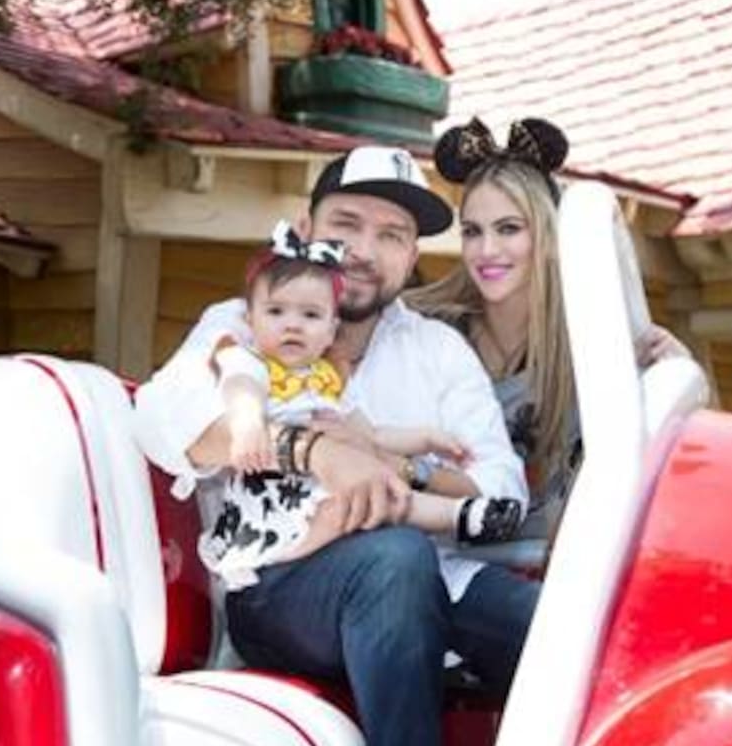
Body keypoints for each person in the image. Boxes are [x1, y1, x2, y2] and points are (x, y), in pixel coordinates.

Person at [133, 145, 535, 746]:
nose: (365, 252)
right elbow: (159, 419)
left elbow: (497, 490)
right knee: (395, 559)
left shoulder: (437, 350)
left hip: (431, 578)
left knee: (561, 633)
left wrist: (389, 467)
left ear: (411, 256)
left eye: (392, 236)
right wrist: (315, 452)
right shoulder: (249, 322)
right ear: (306, 229)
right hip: (281, 586)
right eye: (347, 225)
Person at [203, 218, 523, 590]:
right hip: (284, 518)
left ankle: (463, 515)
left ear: (329, 329)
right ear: (249, 318)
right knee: (387, 515)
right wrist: (247, 426)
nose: (291, 325)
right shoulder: (247, 357)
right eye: (276, 313)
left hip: (386, 537)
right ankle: (455, 515)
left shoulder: (329, 380)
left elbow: (370, 434)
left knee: (386, 498)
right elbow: (240, 390)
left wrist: (425, 441)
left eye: (309, 316)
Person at [408, 117, 688, 537]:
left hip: (557, 580)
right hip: (443, 563)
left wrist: (673, 379)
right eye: (472, 231)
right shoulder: (425, 331)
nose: (487, 250)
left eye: (509, 229)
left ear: (548, 235)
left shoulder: (595, 343)